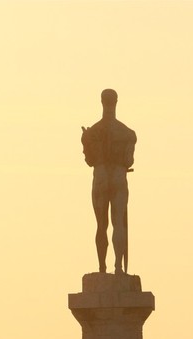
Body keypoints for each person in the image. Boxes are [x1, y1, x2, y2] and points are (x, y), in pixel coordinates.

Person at [81, 89, 137, 274]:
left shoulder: (93, 131)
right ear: (116, 102)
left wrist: (87, 141)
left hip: (101, 176)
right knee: (118, 222)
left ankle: (102, 268)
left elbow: (89, 161)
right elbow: (129, 161)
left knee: (101, 225)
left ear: (101, 102)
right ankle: (118, 267)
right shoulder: (128, 133)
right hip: (119, 176)